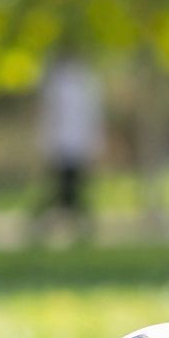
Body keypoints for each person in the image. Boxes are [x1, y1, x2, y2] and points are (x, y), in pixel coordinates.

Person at [28, 53, 104, 245]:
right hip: (62, 145)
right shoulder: (57, 82)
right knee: (64, 190)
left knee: (70, 190)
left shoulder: (86, 80)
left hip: (75, 145)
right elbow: (50, 117)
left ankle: (74, 226)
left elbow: (91, 117)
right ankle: (68, 225)